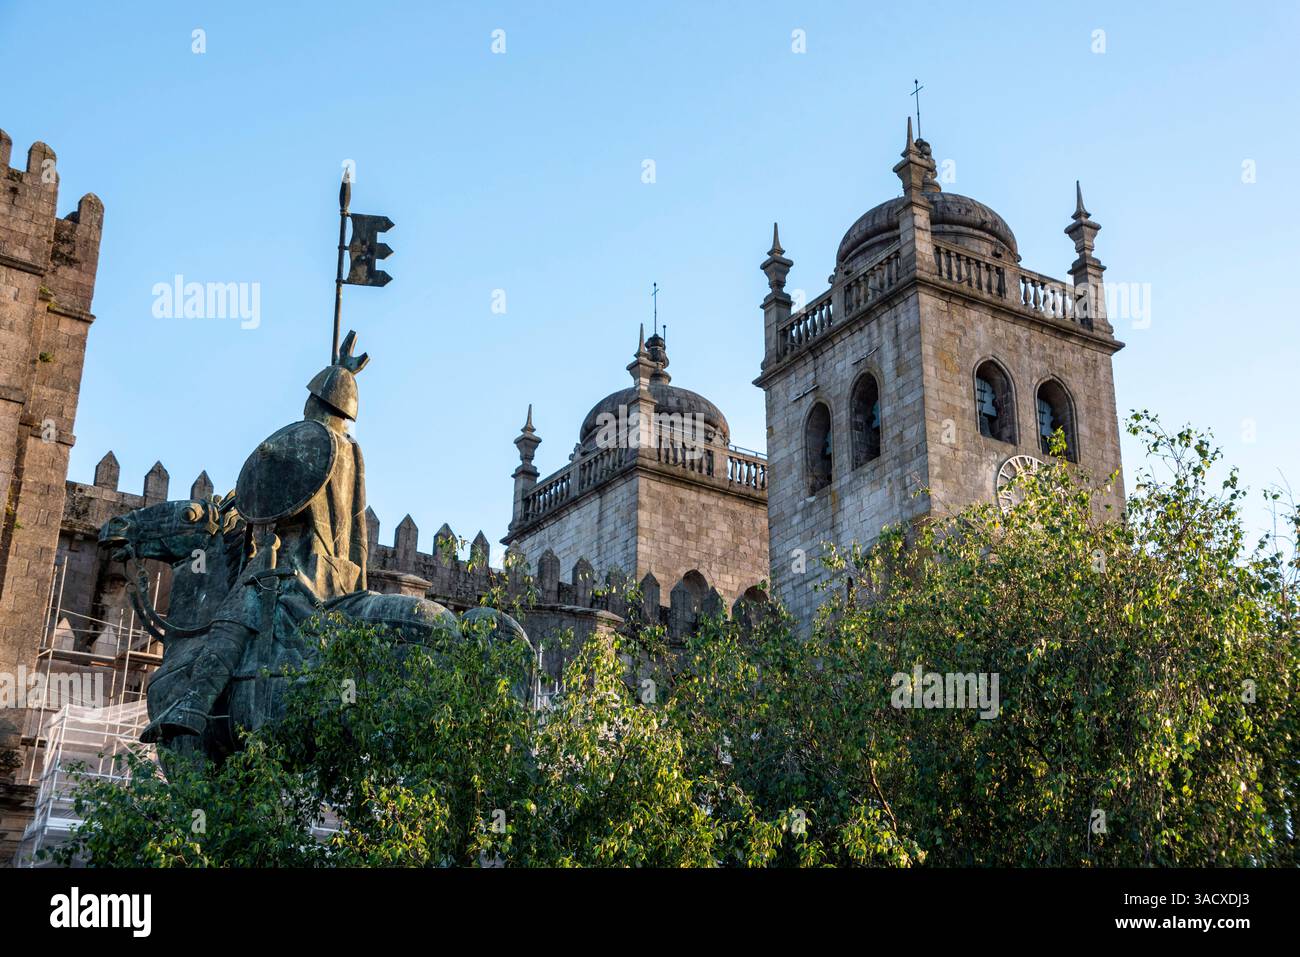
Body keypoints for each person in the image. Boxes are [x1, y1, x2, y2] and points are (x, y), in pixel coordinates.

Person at [143, 331, 370, 743]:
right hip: (340, 578)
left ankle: (194, 704)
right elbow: (358, 531)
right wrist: (341, 371)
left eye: (310, 397)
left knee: (232, 617)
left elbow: (276, 506)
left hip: (294, 569)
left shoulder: (306, 441)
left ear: (316, 401)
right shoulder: (351, 450)